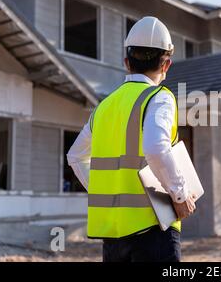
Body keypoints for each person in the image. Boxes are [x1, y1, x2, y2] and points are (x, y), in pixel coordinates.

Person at [67, 16, 196, 262]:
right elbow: (156, 148)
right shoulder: (159, 97)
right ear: (166, 64)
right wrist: (179, 195)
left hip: (114, 239)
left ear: (127, 63)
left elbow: (75, 156)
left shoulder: (104, 106)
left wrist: (106, 190)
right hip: (154, 231)